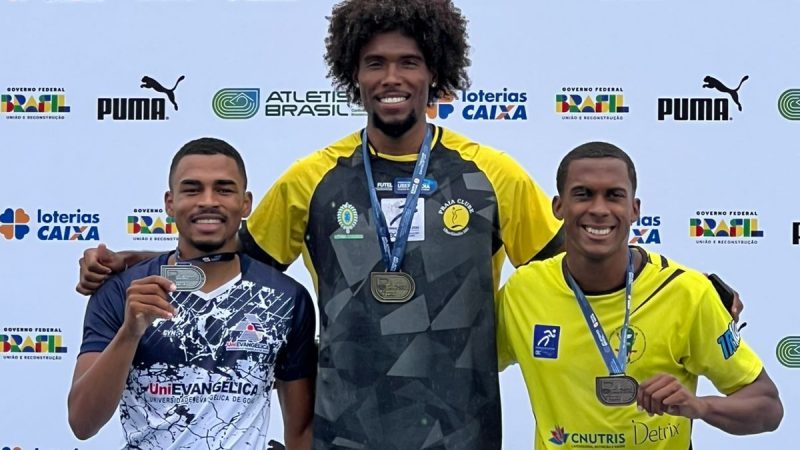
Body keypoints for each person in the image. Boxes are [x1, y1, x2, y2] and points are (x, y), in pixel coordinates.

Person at [76, 1, 564, 449]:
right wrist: (133, 263)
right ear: (354, 73)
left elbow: (572, 278)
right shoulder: (312, 178)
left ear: (435, 71)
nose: (391, 77)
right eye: (375, 63)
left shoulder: (493, 175)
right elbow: (231, 263)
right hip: (342, 433)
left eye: (408, 62)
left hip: (461, 431)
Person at [496, 142, 783, 449]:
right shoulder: (523, 292)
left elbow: (767, 407)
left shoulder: (686, 293)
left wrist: (701, 407)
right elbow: (455, 368)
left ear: (635, 209)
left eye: (614, 195)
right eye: (583, 194)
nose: (599, 209)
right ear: (558, 207)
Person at [68, 138, 316, 450]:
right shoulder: (122, 291)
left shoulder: (286, 298)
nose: (208, 201)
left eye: (224, 189)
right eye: (192, 189)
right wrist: (130, 333)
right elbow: (82, 422)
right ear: (169, 203)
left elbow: (301, 432)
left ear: (246, 203)